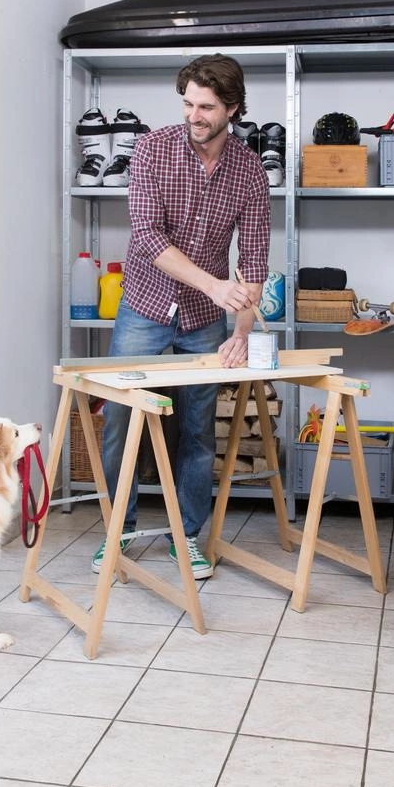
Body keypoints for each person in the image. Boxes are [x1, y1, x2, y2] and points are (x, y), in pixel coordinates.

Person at [93, 53, 270, 579]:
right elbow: (148, 237)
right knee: (120, 420)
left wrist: (241, 333)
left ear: (232, 108)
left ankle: (187, 535)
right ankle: (118, 532)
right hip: (145, 304)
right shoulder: (152, 149)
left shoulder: (250, 171)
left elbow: (254, 260)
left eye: (206, 107)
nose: (194, 115)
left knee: (197, 429)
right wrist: (214, 285)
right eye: (188, 104)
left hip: (203, 321)